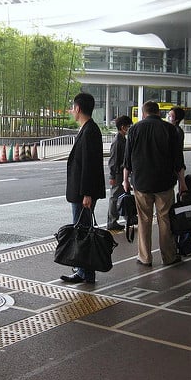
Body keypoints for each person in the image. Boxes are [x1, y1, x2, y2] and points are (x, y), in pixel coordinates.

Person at [122, 101, 183, 266]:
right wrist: (182, 183)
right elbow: (178, 160)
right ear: (158, 113)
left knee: (144, 220)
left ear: (143, 113)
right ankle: (169, 256)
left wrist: (125, 180)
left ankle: (145, 257)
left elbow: (127, 159)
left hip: (141, 183)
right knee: (165, 219)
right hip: (164, 183)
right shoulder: (170, 129)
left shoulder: (134, 129)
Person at [61, 92, 106, 284]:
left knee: (83, 231)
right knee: (83, 230)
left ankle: (84, 272)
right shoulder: (88, 129)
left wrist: (87, 193)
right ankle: (84, 271)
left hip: (83, 193)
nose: (72, 111)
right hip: (81, 191)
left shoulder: (89, 131)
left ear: (78, 108)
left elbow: (90, 164)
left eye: (73, 107)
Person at [107, 115, 133, 231]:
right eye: (128, 126)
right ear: (123, 127)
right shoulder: (118, 141)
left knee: (123, 196)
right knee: (115, 198)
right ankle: (112, 221)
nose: (129, 128)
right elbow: (113, 160)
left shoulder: (122, 140)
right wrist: (112, 175)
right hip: (118, 173)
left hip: (121, 172)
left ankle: (128, 217)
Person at [167, 106, 188, 194]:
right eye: (168, 114)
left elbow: (178, 153)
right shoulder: (171, 129)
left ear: (176, 119)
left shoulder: (176, 131)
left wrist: (181, 179)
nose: (168, 117)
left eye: (171, 115)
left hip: (173, 167)